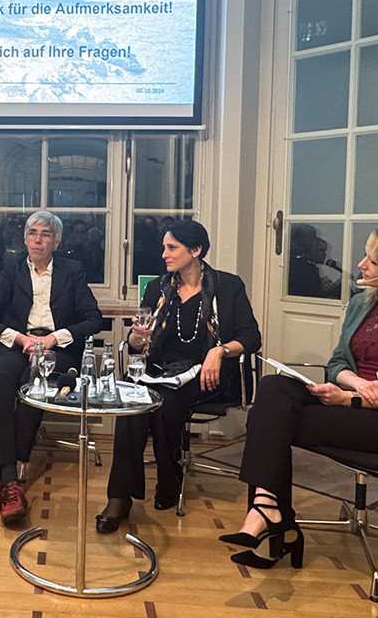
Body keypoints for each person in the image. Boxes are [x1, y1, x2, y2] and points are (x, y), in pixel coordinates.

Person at [221, 224, 378, 569]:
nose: (360, 264)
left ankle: (271, 517)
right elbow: (337, 363)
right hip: (357, 403)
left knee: (269, 421)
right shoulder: (363, 303)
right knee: (273, 388)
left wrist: (349, 399)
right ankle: (270, 513)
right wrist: (357, 386)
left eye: (372, 260)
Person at [97, 219, 261, 533]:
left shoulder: (227, 286)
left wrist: (219, 351)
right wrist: (136, 339)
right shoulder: (158, 288)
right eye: (164, 247)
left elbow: (251, 337)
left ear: (195, 250)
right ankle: (119, 497)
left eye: (171, 247)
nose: (164, 254)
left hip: (208, 374)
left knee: (165, 401)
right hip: (162, 370)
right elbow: (139, 346)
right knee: (133, 402)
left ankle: (169, 480)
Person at [0, 211, 103, 525]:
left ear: (56, 240)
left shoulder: (73, 270)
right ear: (25, 238)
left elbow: (93, 319)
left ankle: (1, 480)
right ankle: (11, 480)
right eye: (32, 233)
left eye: (45, 234)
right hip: (19, 344)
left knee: (35, 384)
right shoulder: (11, 269)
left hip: (57, 350)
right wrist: (20, 339)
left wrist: (54, 339)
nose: (37, 239)